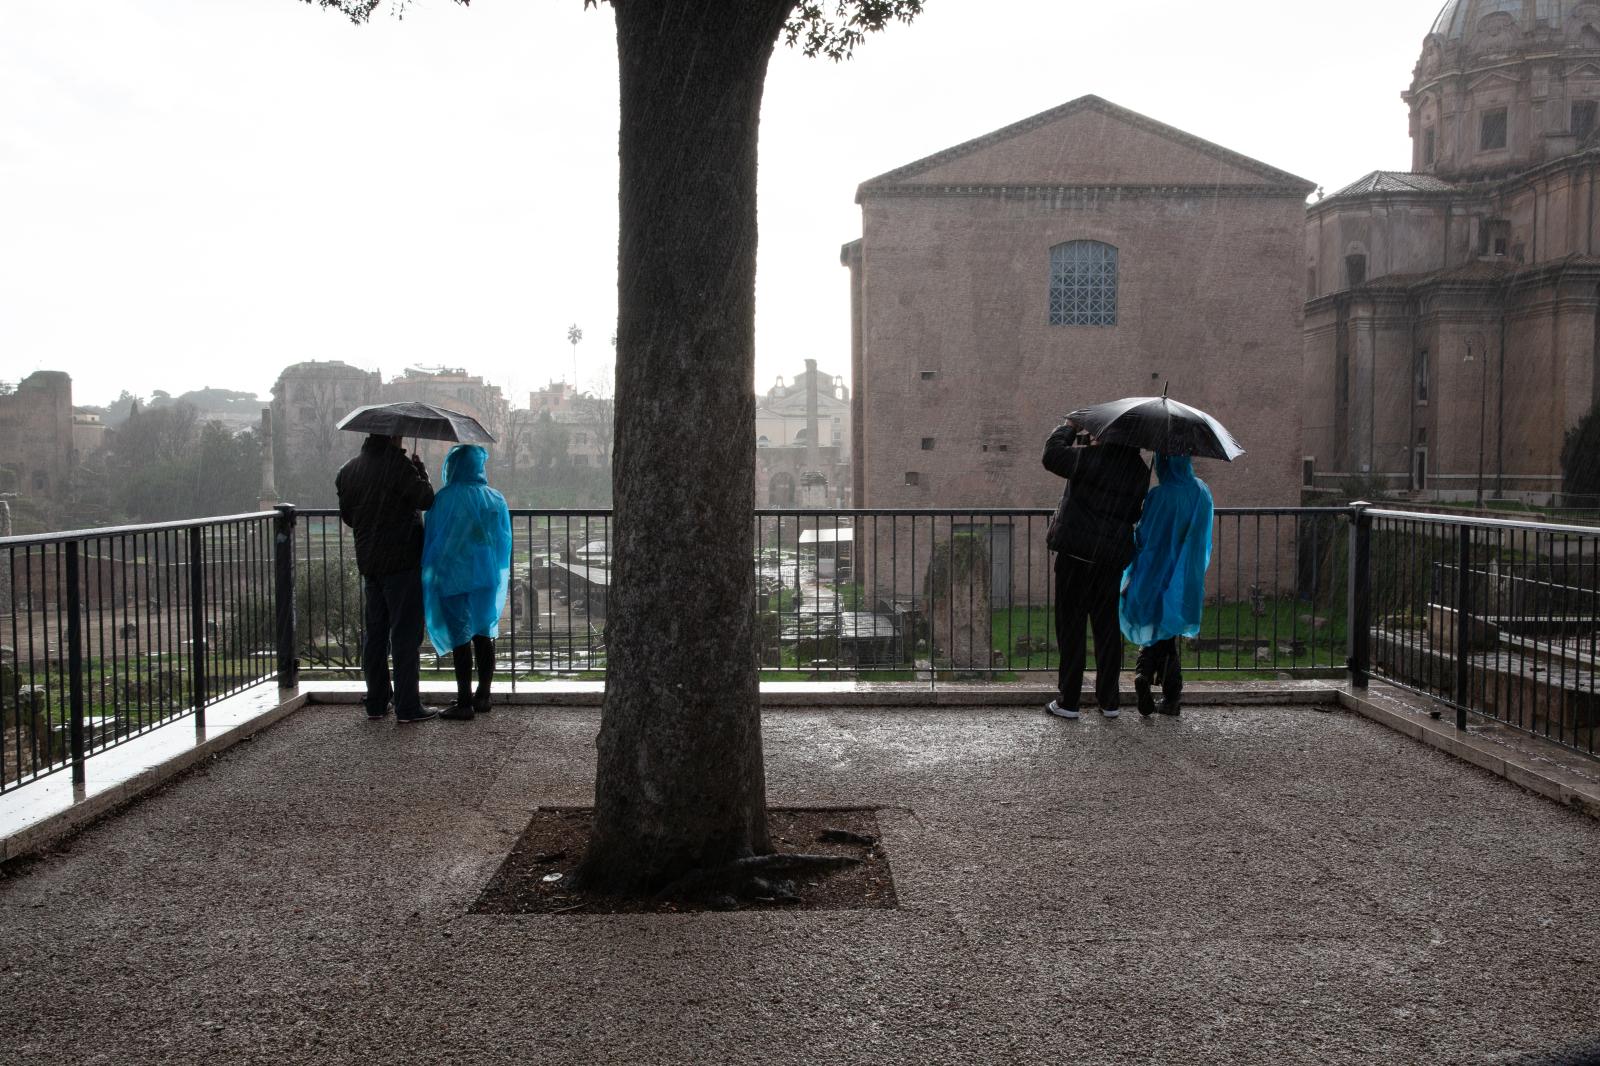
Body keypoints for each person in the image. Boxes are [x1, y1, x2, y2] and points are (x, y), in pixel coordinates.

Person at [1042, 423, 1150, 720]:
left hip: (1076, 554)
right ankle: (1110, 701)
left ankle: (1069, 701)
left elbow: (1051, 456)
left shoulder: (1089, 459)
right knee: (1106, 629)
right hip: (1109, 559)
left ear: (1106, 435)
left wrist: (1066, 429)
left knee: (1071, 626)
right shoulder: (1140, 472)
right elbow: (1133, 515)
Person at [337, 433, 438, 723]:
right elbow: (426, 499)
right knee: (405, 635)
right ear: (393, 436)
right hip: (403, 561)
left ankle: (377, 701)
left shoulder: (348, 471)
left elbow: (348, 517)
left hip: (370, 561)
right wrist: (421, 471)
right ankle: (407, 705)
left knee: (376, 633)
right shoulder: (398, 465)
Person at [421, 444, 512, 721]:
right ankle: (483, 696)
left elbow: (433, 538)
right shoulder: (495, 499)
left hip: (455, 574)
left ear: (453, 466)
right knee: (484, 633)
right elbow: (503, 540)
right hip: (486, 574)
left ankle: (463, 703)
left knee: (461, 636)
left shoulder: (444, 499)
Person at [1120, 453, 1214, 717]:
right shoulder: (1202, 492)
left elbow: (1143, 534)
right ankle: (1170, 697)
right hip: (1185, 576)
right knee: (1169, 634)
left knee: (1157, 629)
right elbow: (1204, 535)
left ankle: (1144, 672)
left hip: (1154, 573)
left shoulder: (1159, 495)